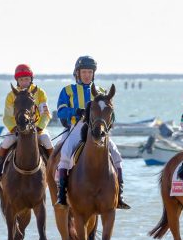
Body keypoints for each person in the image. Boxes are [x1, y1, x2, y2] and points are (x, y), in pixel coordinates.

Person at [55, 56, 129, 209]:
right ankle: (62, 194)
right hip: (76, 127)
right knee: (66, 153)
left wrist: (109, 121)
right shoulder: (68, 90)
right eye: (84, 72)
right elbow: (61, 112)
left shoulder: (101, 91)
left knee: (116, 154)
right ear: (77, 73)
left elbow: (111, 114)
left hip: (97, 129)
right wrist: (75, 111)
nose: (87, 75)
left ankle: (119, 195)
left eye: (90, 72)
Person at [0, 64, 53, 179]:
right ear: (17, 81)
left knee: (47, 140)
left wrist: (39, 128)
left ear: (31, 79)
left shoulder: (40, 93)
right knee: (7, 141)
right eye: (21, 80)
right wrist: (14, 129)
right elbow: (7, 117)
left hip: (37, 130)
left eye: (27, 79)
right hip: (17, 130)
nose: (24, 82)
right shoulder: (11, 95)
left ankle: (54, 170)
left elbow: (46, 114)